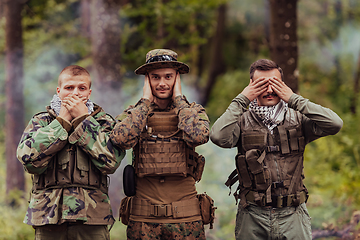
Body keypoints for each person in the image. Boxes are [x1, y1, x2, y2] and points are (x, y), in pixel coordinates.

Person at [210, 59, 343, 240]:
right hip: (253, 216)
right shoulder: (241, 121)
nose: (270, 90)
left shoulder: (298, 119)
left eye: (275, 84)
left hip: (293, 215)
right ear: (251, 87)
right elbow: (218, 136)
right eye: (262, 85)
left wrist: (294, 98)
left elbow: (335, 124)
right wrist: (242, 99)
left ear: (283, 85)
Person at [110, 49, 213, 240]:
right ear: (147, 80)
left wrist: (180, 100)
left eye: (168, 76)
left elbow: (199, 136)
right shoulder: (135, 114)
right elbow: (120, 140)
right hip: (143, 219)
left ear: (177, 79)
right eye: (155, 77)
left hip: (186, 218)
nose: (162, 83)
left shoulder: (191, 111)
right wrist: (145, 102)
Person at [17, 65, 125, 240]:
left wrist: (83, 120)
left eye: (81, 88)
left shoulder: (104, 122)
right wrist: (61, 122)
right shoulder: (41, 121)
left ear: (89, 93)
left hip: (92, 219)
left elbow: (111, 161)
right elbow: (27, 159)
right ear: (59, 91)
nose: (75, 93)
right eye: (69, 88)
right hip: (48, 218)